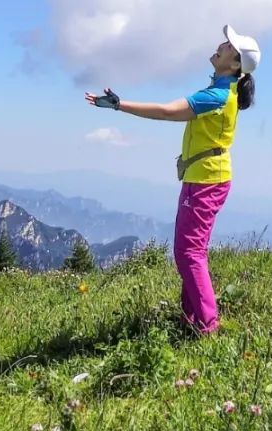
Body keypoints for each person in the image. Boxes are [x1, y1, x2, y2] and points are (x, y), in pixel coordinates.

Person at [84, 23, 261, 334]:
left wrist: (120, 105)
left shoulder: (217, 96)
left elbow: (167, 112)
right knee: (190, 251)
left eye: (228, 47)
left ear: (234, 65)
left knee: (188, 253)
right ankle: (191, 318)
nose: (221, 45)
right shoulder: (225, 92)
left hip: (206, 181)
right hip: (204, 178)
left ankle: (206, 327)